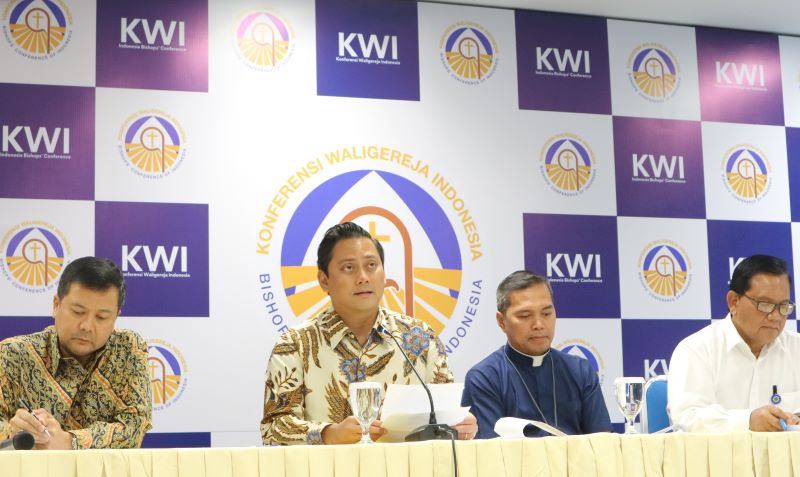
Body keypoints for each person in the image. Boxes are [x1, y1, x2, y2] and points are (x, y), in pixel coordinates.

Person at [260, 222, 477, 445]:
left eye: (371, 265)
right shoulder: (295, 344)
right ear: (324, 280)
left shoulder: (420, 338)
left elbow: (447, 414)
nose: (363, 277)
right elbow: (272, 429)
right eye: (349, 268)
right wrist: (328, 434)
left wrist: (460, 424)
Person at [0, 257, 152, 449]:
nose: (87, 326)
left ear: (116, 317)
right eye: (78, 312)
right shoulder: (14, 353)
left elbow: (134, 427)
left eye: (101, 317)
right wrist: (15, 432)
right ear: (56, 305)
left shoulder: (128, 349)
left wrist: (68, 441)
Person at [461, 270, 612, 438]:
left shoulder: (580, 370)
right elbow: (490, 449)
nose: (539, 324)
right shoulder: (484, 377)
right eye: (525, 316)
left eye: (546, 313)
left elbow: (602, 441)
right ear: (502, 321)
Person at [668, 254, 800, 432]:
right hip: (719, 451)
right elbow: (686, 419)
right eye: (765, 304)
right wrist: (748, 421)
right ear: (734, 302)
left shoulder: (796, 348)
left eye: (783, 306)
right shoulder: (696, 350)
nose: (776, 316)